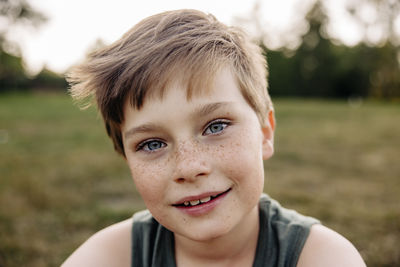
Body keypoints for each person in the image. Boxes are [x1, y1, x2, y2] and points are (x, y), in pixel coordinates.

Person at [62, 9, 365, 267]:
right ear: (127, 159)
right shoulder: (113, 256)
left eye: (216, 126)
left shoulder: (320, 257)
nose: (189, 167)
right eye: (152, 144)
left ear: (265, 132)